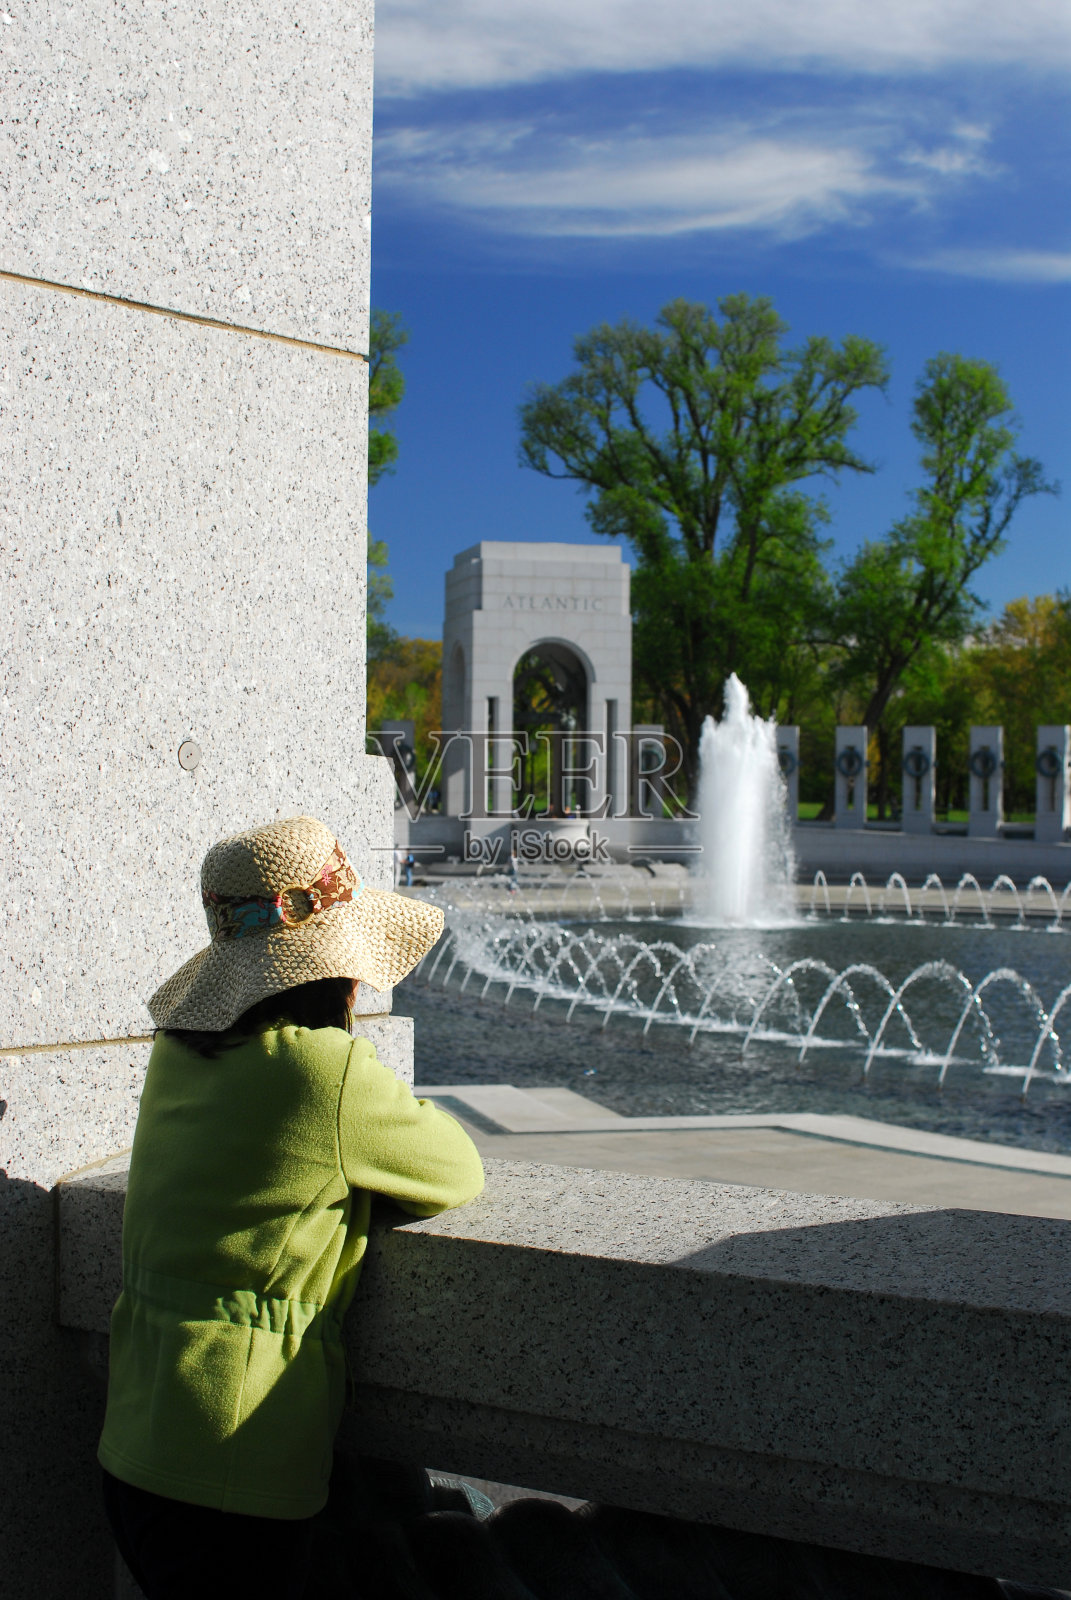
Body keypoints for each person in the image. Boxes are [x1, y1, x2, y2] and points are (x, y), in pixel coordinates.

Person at [98, 816, 484, 1598]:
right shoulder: (322, 1071)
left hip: (135, 1440)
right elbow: (454, 1169)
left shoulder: (179, 1053)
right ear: (335, 968)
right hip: (238, 1458)